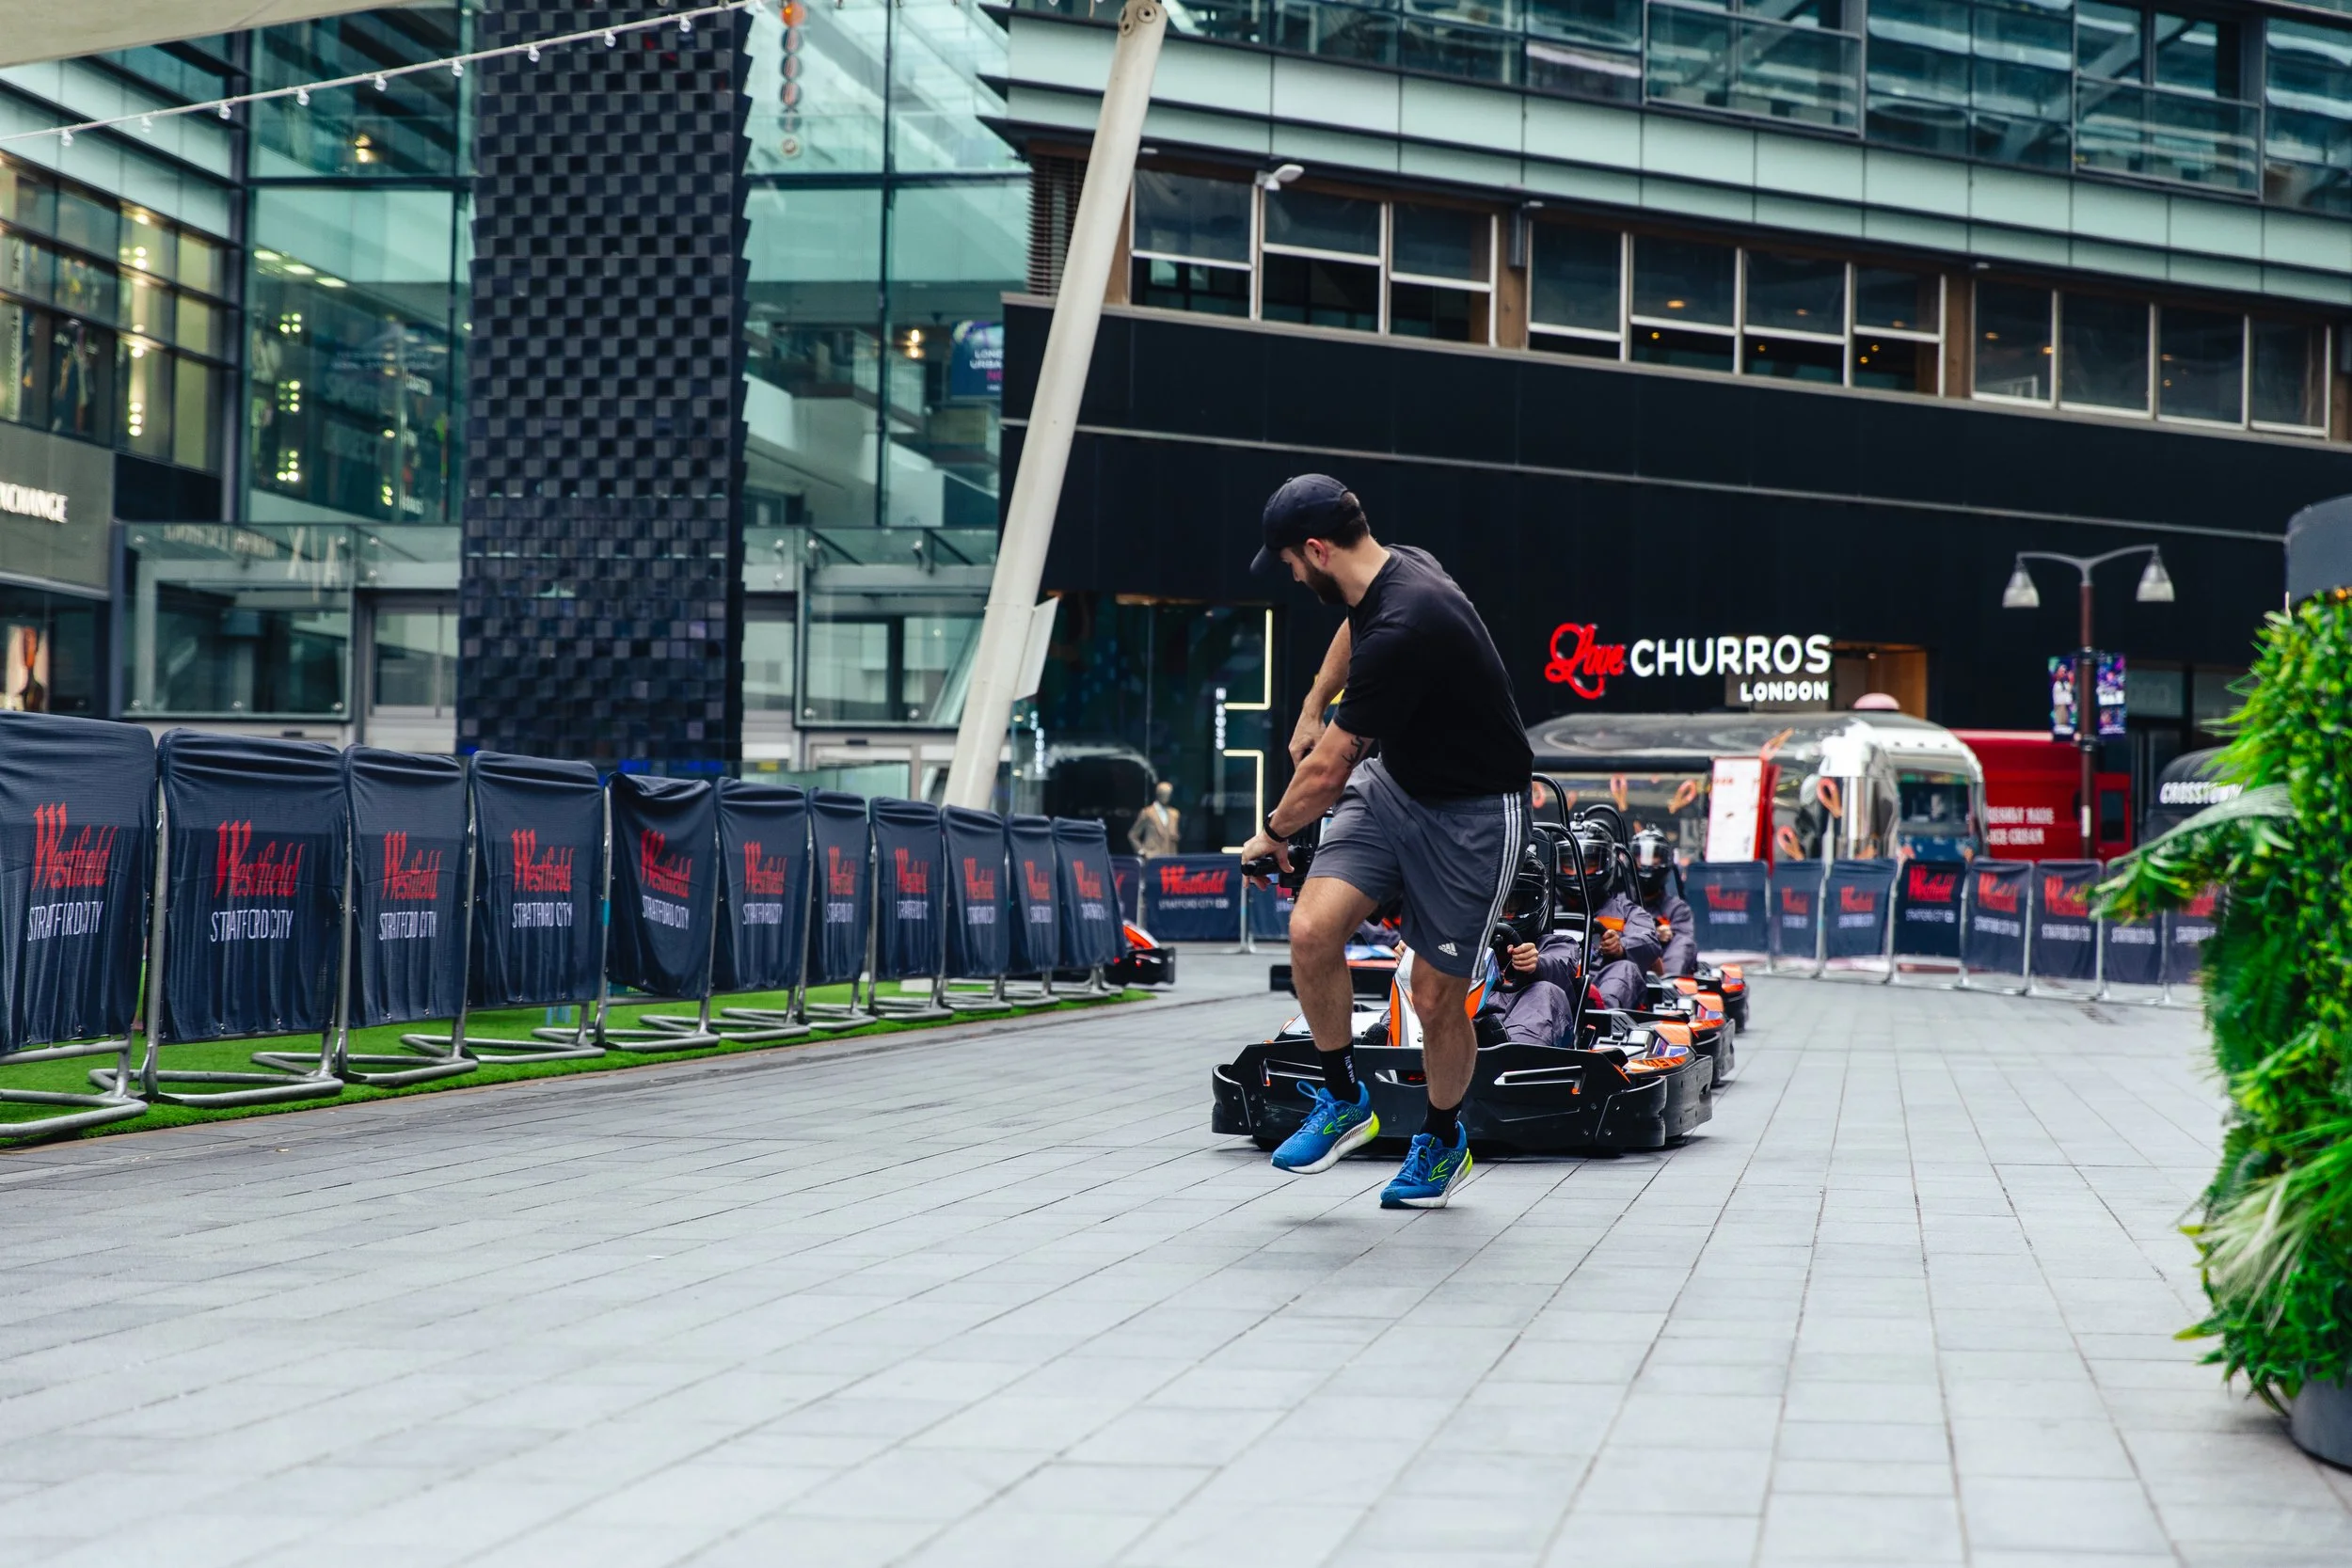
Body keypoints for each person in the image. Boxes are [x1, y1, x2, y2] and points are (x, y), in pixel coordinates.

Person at [1237, 474, 1532, 1210]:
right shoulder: (1397, 567)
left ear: (1317, 549)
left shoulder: (1410, 622)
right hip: (1396, 786)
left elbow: (1331, 770)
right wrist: (1310, 704)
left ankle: (1442, 1139)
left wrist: (1271, 833)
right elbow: (1351, 631)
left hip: (1474, 814)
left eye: (1293, 565)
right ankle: (1345, 1100)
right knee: (1311, 929)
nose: (1295, 579)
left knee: (1435, 996)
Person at [1629, 828, 1697, 977]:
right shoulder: (1620, 904)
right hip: (1626, 973)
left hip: (1662, 979)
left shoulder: (1678, 909)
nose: (1646, 862)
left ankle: (1668, 984)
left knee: (1682, 942)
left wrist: (1666, 982)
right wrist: (1653, 934)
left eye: (1653, 857)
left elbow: (1684, 947)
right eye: (1641, 857)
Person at [1130, 781, 1181, 860]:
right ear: (1158, 794)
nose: (1166, 796)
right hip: (1152, 857)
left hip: (1170, 858)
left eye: (1168, 794)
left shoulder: (1174, 814)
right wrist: (1142, 852)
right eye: (1163, 793)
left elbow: (1175, 835)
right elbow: (1132, 835)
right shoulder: (1147, 813)